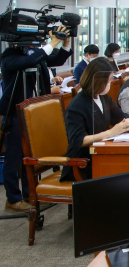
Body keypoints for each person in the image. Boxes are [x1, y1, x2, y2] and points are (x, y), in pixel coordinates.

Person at [0, 26, 73, 212]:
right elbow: (30, 60)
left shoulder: (34, 54)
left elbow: (53, 58)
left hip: (34, 113)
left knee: (30, 157)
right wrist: (52, 43)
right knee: (14, 158)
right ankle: (12, 199)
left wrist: (64, 44)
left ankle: (29, 194)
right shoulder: (9, 56)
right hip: (15, 114)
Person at [61, 58, 129, 182]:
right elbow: (79, 140)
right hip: (82, 163)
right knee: (125, 171)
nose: (110, 83)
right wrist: (110, 133)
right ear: (98, 81)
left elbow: (120, 118)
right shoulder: (76, 106)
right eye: (109, 80)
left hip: (102, 154)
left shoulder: (104, 98)